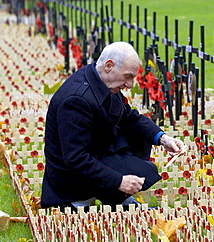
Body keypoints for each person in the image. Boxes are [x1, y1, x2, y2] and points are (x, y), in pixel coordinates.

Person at [41, 42, 185, 211]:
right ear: (109, 65)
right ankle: (79, 202)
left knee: (139, 139)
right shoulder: (76, 100)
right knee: (139, 170)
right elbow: (75, 158)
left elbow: (128, 117)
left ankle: (117, 197)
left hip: (96, 151)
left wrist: (162, 138)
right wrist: (119, 181)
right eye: (128, 76)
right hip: (70, 179)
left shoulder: (100, 79)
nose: (130, 85)